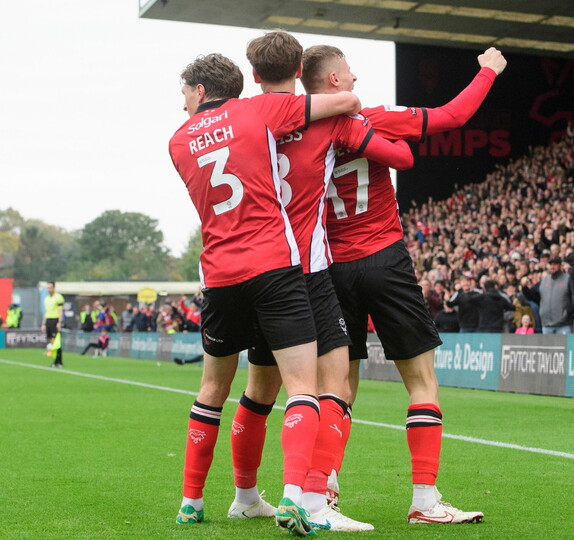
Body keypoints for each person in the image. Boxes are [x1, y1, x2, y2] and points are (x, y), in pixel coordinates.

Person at [306, 44, 504, 524]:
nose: (355, 77)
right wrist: (487, 72)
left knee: (337, 387)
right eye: (348, 71)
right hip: (383, 259)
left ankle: (323, 492)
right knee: (421, 382)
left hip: (329, 266)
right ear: (333, 80)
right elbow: (453, 115)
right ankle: (424, 500)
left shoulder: (293, 129)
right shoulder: (371, 118)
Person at [167, 50, 362, 536]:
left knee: (213, 389)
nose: (181, 104)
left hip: (218, 275)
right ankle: (296, 497)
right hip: (274, 266)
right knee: (302, 387)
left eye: (184, 94)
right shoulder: (257, 110)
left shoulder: (176, 141)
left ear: (201, 91)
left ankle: (194, 502)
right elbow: (343, 101)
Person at [234, 31, 416, 532]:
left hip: (251, 269)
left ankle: (243, 495)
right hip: (307, 270)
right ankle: (310, 497)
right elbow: (398, 148)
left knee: (253, 391)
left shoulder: (246, 121)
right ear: (299, 74)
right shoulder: (329, 120)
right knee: (324, 386)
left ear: (253, 77)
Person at [524, 257, 574, 334]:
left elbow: (573, 298)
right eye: (550, 264)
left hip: (564, 324)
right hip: (546, 324)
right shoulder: (544, 281)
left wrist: (568, 314)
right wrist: (525, 289)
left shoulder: (568, 279)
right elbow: (534, 297)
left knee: (564, 346)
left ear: (560, 265)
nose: (552, 267)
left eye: (555, 264)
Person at [43, 282, 64, 367]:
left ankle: (58, 361)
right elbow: (46, 312)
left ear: (54, 287)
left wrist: (59, 322)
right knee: (52, 341)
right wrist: (43, 323)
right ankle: (56, 361)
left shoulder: (59, 297)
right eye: (47, 288)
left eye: (50, 287)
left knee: (56, 342)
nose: (49, 289)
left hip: (55, 320)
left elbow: (60, 310)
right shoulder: (47, 299)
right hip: (48, 320)